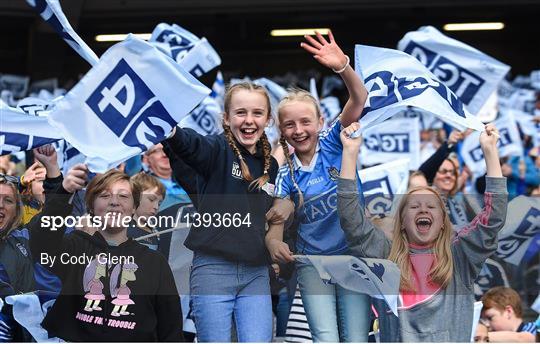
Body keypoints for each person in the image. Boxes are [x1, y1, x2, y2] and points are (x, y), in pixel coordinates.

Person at [337, 122, 508, 342]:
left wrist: (490, 152)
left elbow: (493, 218)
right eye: (415, 206)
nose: (424, 209)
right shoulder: (384, 256)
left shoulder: (461, 257)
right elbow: (351, 219)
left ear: (444, 222)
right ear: (401, 222)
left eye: (431, 206)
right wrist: (350, 154)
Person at [162, 80, 293, 342]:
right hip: (213, 271)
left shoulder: (271, 167)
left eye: (257, 113)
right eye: (240, 112)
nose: (249, 120)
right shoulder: (217, 149)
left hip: (256, 274)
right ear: (226, 118)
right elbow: (191, 144)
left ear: (268, 119)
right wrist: (170, 131)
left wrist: (285, 202)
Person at [268, 30, 371, 342]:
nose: (299, 130)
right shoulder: (285, 175)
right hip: (313, 265)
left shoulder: (333, 143)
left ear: (320, 121)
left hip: (354, 257)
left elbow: (359, 98)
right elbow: (276, 220)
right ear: (281, 130)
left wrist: (343, 67)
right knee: (325, 338)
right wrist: (273, 242)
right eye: (290, 124)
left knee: (356, 338)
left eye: (305, 122)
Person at [29, 144, 183, 341]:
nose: (114, 202)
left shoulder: (155, 263)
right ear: (91, 207)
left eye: (124, 196)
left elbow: (171, 328)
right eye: (104, 195)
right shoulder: (75, 248)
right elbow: (42, 240)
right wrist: (63, 189)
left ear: (135, 207)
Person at [144, 143, 189, 210]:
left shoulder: (190, 182)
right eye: (158, 151)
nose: (165, 154)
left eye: (168, 150)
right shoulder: (143, 186)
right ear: (146, 159)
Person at [127, 172, 166, 250]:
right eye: (151, 199)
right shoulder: (119, 229)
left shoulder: (156, 231)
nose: (156, 207)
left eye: (159, 203)